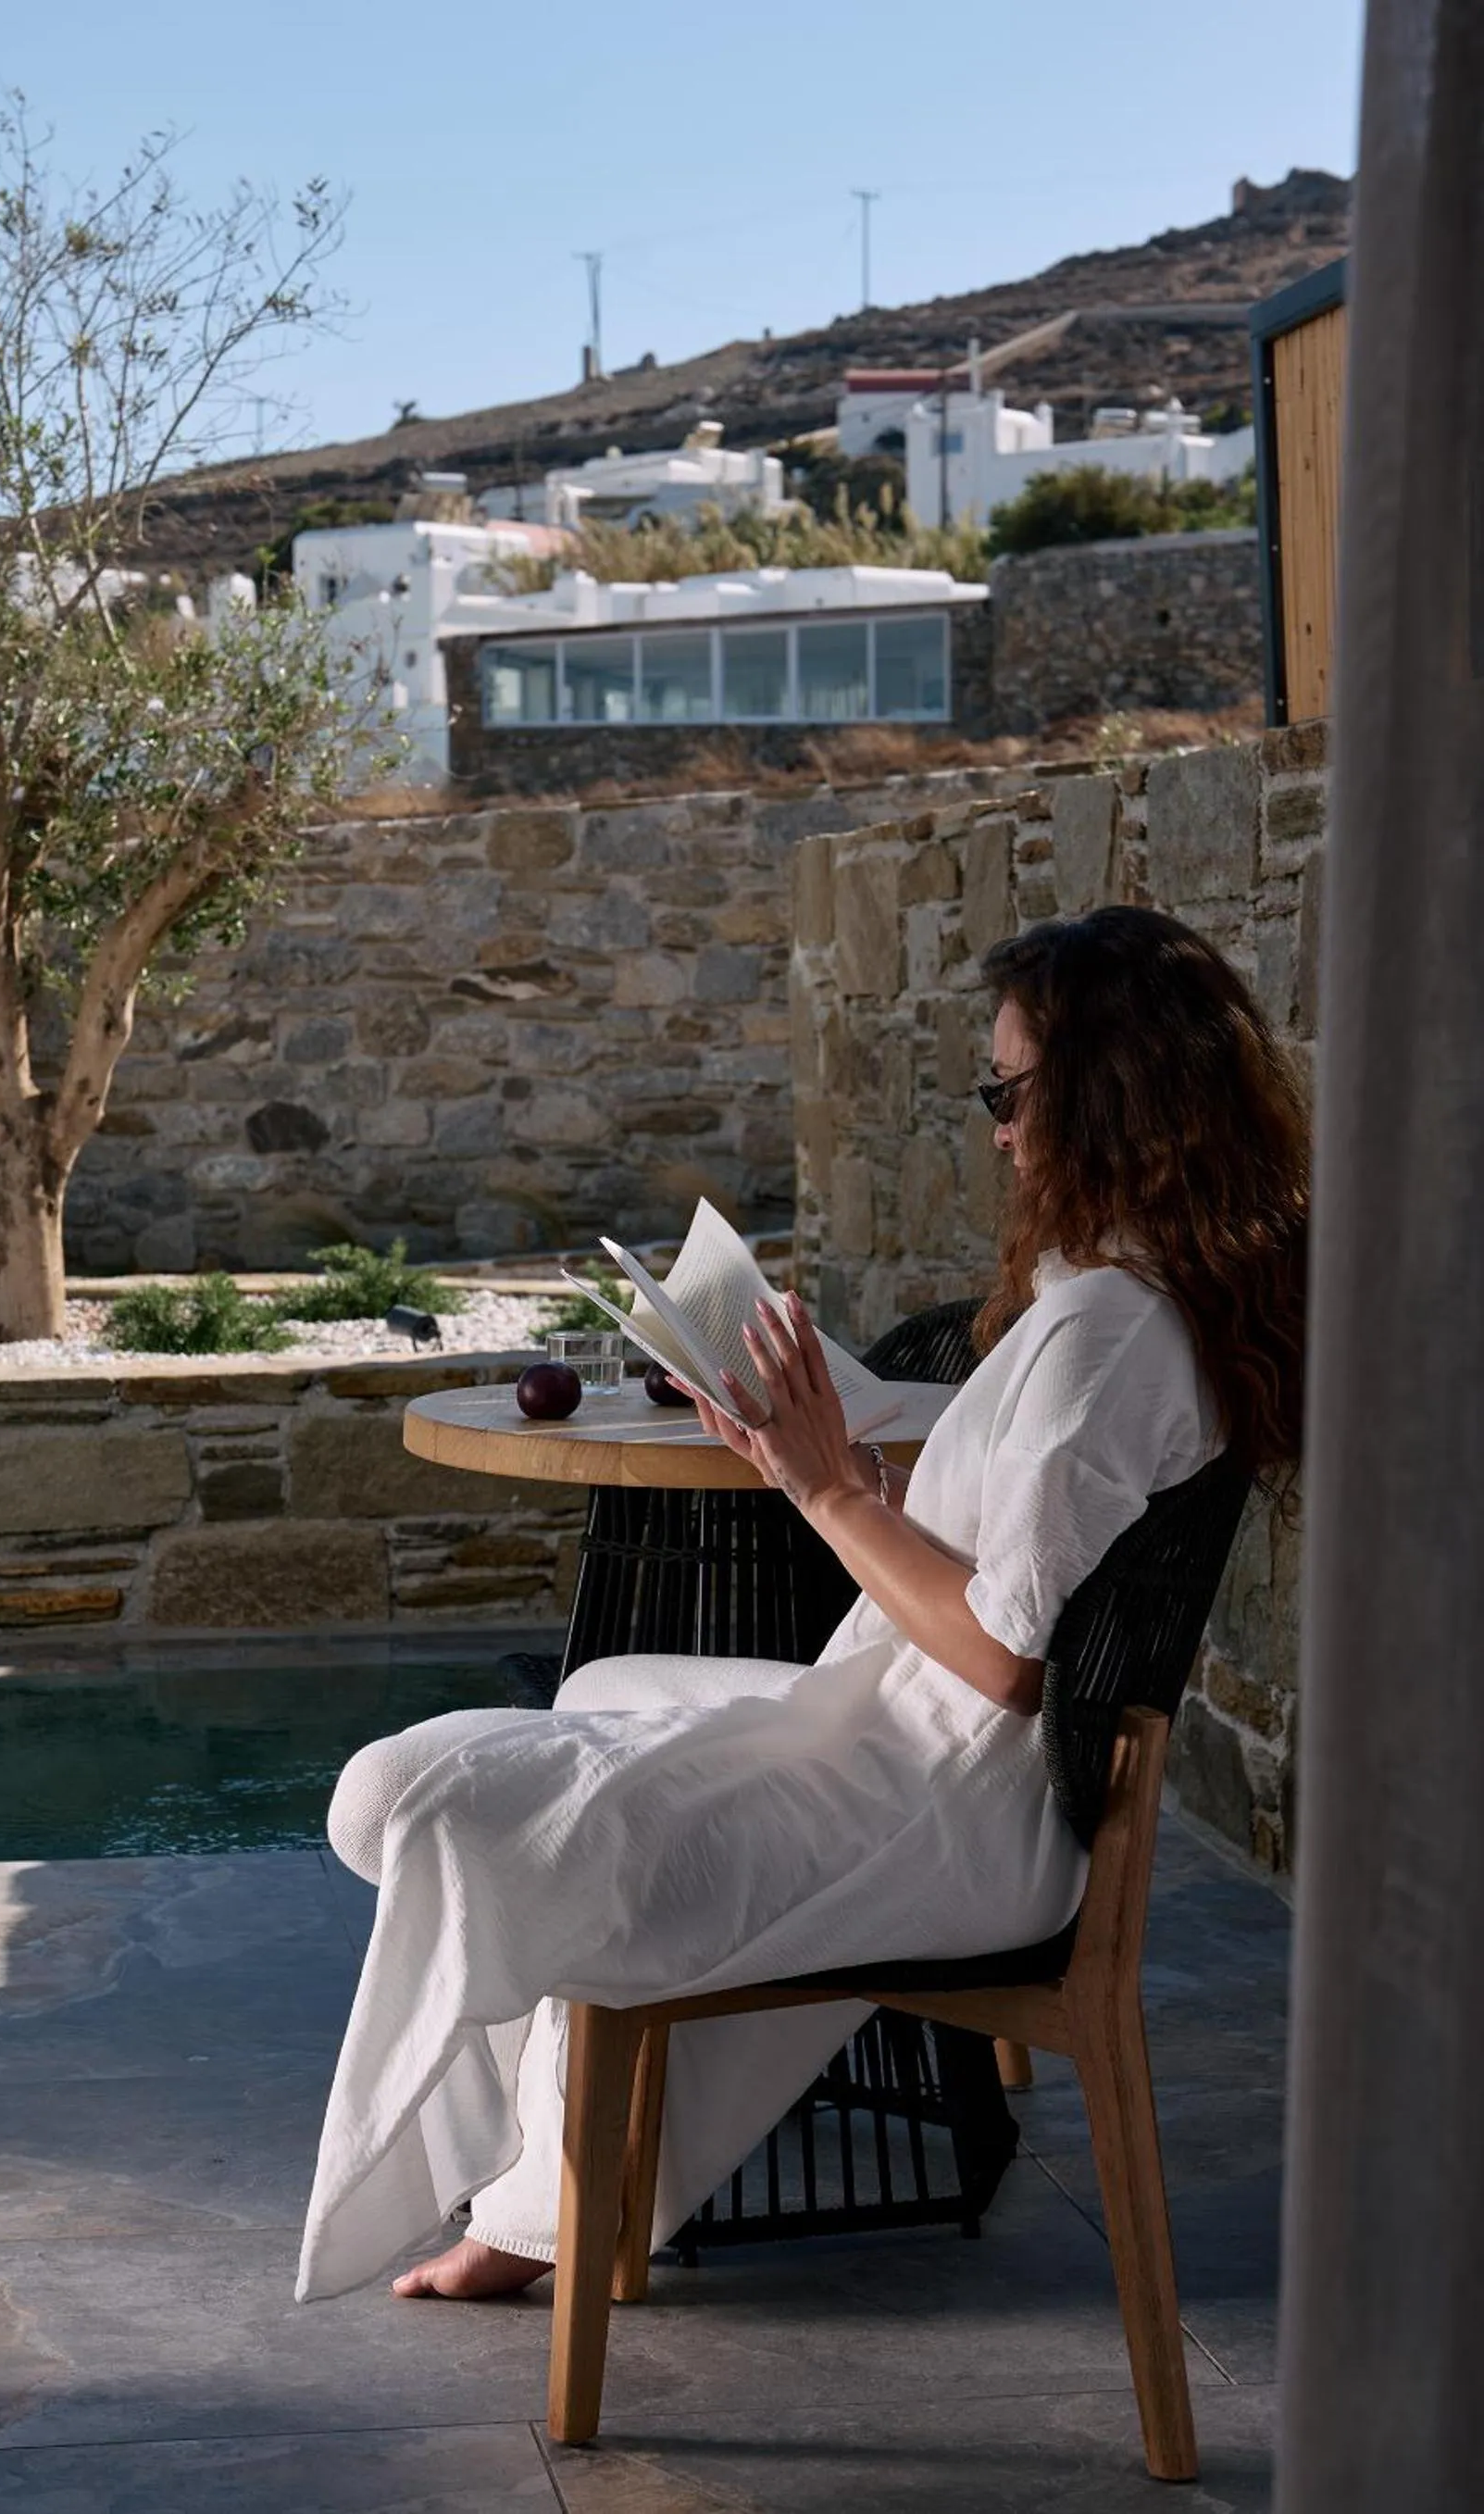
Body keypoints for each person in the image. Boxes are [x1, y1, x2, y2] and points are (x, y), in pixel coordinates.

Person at [297, 905, 1307, 2307]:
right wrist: (844, 1452)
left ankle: (546, 2210)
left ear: (1103, 1096)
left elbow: (1007, 1658)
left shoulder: (1107, 1335)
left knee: (420, 1801)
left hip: (963, 1799)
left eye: (1010, 1090)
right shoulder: (1129, 1303)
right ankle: (551, 2202)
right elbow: (1027, 1524)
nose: (999, 1126)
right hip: (940, 1752)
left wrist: (823, 1485)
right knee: (595, 1702)